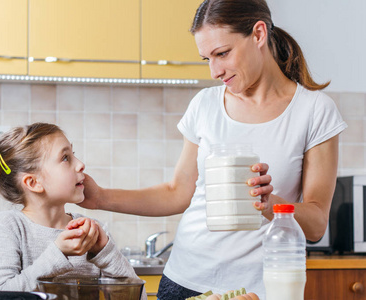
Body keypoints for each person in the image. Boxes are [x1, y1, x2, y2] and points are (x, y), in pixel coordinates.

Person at [80, 0, 347, 299]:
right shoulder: (204, 105)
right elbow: (176, 192)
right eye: (206, 58)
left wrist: (270, 202)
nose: (214, 71)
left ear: (259, 34)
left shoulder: (314, 111)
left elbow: (315, 225)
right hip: (183, 280)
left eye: (222, 53)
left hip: (257, 290)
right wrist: (100, 197)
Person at [0, 122, 147, 300]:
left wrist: (105, 251)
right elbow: (1, 294)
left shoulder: (92, 232)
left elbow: (139, 296)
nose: (81, 164)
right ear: (33, 182)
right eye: (66, 158)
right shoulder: (9, 226)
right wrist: (58, 254)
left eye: (73, 154)